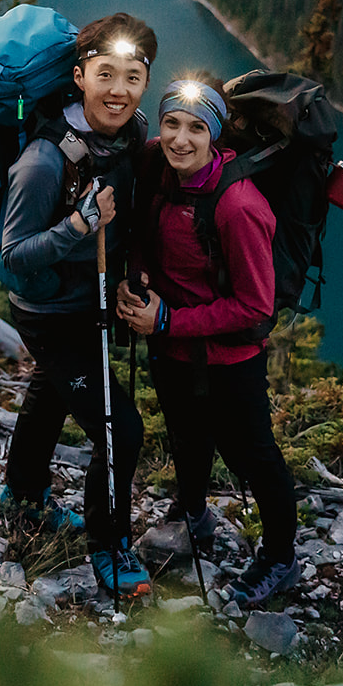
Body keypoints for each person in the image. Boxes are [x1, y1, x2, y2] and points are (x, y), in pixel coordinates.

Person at [117, 76, 301, 607]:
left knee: (253, 456)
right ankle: (193, 516)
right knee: (185, 435)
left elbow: (255, 307)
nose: (179, 139)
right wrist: (139, 277)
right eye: (171, 123)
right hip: (171, 346)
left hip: (227, 359)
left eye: (196, 128)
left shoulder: (238, 206)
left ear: (216, 137)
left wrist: (169, 320)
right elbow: (140, 235)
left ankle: (281, 557)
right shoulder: (159, 169)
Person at [0, 12, 156, 597]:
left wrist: (128, 276)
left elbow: (132, 223)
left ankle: (23, 498)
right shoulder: (43, 160)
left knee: (51, 391)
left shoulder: (132, 136)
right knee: (121, 431)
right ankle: (107, 548)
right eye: (105, 74)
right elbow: (12, 256)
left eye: (133, 77)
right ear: (80, 75)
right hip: (47, 311)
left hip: (89, 303)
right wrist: (79, 226)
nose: (119, 90)